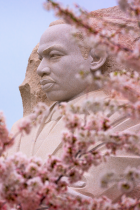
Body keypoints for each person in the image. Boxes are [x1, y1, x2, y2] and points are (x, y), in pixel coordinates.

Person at [7, 19, 140, 201]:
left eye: (54, 55)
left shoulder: (127, 118)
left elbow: (87, 194)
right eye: (40, 59)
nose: (40, 69)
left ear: (97, 57)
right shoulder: (19, 131)